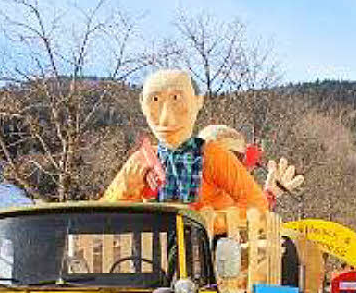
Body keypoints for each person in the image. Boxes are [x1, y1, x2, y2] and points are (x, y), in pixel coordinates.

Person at [102, 70, 269, 222]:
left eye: (176, 98)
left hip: (204, 249)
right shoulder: (141, 160)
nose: (166, 118)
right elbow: (105, 213)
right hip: (152, 249)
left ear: (198, 101)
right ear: (143, 107)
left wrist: (211, 221)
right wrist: (129, 188)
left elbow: (256, 203)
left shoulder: (212, 156)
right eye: (155, 100)